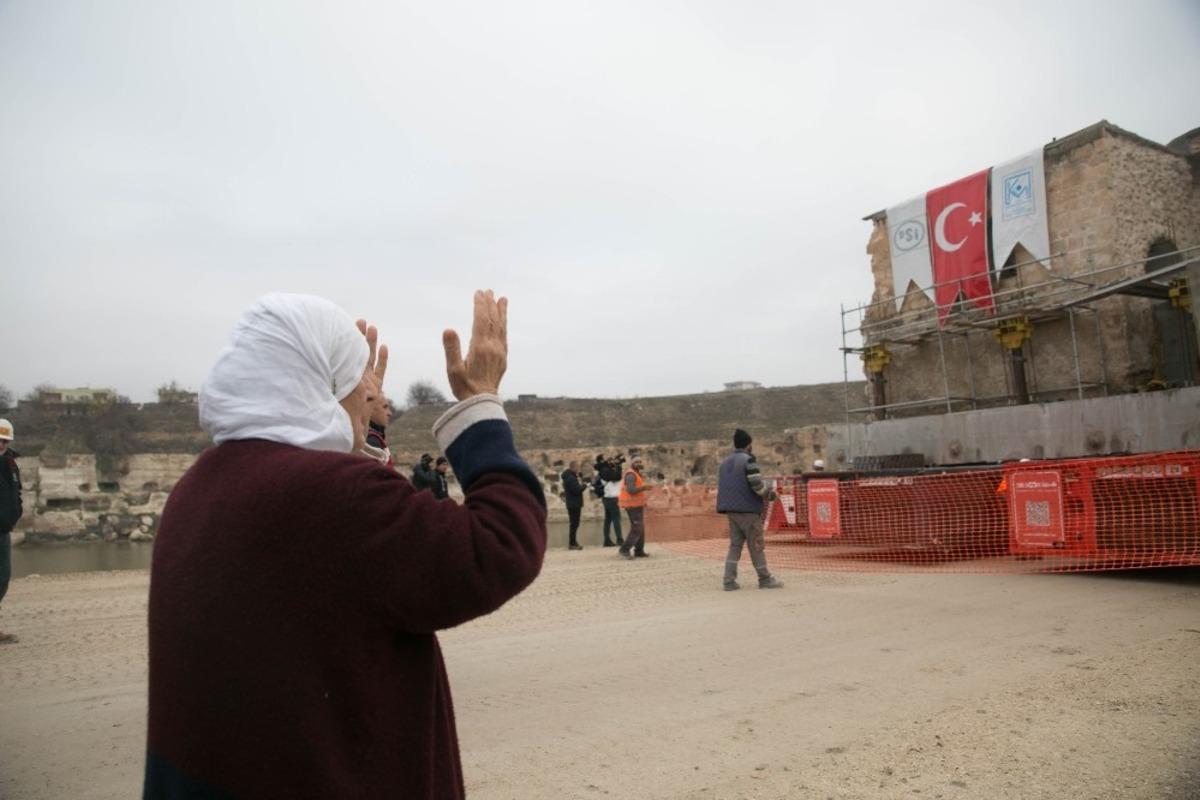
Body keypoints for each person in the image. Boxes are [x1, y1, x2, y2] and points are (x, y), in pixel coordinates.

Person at [143, 290, 547, 800]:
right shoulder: (336, 498)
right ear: (323, 384)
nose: (369, 395)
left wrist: (361, 429)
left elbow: (336, 573)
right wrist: (480, 402)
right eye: (358, 383)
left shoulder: (198, 486)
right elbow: (500, 545)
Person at [716, 429, 783, 591]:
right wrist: (772, 495)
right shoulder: (749, 461)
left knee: (735, 546)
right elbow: (757, 487)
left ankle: (729, 580)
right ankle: (765, 578)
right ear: (749, 445)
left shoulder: (725, 463)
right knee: (756, 544)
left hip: (731, 511)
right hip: (748, 511)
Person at [0, 418, 22, 645]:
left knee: (3, 579)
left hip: (4, 530)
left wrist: (17, 512)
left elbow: (17, 492)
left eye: (5, 440)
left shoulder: (10, 463)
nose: (2, 444)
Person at [617, 454, 654, 559]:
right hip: (631, 505)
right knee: (637, 528)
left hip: (637, 504)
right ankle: (624, 550)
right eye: (636, 462)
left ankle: (639, 550)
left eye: (640, 462)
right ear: (632, 463)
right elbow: (631, 490)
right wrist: (644, 488)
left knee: (640, 527)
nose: (639, 464)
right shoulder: (631, 475)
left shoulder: (636, 474)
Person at [596, 454, 624, 547]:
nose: (609, 462)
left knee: (608, 519)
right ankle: (619, 539)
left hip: (608, 498)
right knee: (616, 519)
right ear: (601, 461)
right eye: (607, 460)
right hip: (611, 498)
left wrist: (615, 464)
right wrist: (619, 466)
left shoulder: (604, 470)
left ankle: (607, 540)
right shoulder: (604, 470)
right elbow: (618, 477)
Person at [560, 460, 586, 550]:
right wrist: (584, 485)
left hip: (573, 503)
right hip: (574, 504)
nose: (579, 469)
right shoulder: (570, 478)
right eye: (577, 467)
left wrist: (579, 478)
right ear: (573, 467)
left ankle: (573, 543)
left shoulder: (569, 477)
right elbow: (577, 490)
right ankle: (572, 543)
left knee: (574, 524)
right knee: (574, 524)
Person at [364, 395, 393, 467]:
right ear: (369, 410)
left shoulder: (373, 437)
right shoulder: (371, 440)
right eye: (385, 407)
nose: (390, 413)